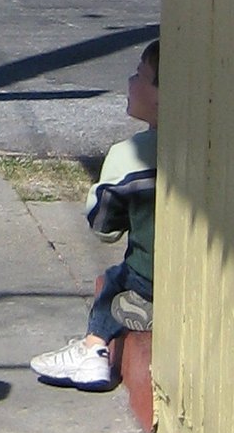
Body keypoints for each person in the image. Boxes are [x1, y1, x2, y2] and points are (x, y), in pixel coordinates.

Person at [30, 39, 160, 390]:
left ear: (163, 96)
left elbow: (104, 227)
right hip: (202, 274)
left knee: (115, 278)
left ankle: (93, 349)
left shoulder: (130, 155)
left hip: (151, 278)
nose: (131, 82)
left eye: (140, 76)